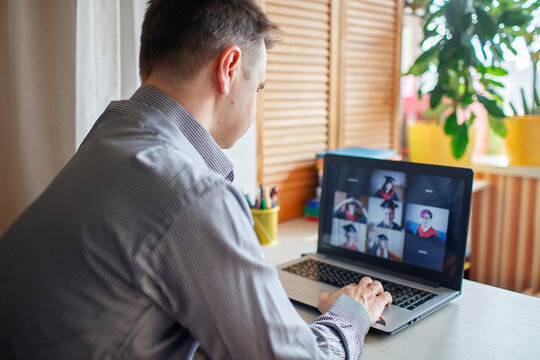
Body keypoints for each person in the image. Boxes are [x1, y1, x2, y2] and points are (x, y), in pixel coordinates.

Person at [0, 1, 392, 359]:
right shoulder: (191, 191)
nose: (256, 102)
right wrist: (352, 313)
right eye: (258, 87)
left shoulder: (111, 135)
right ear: (228, 68)